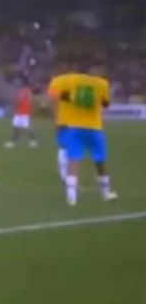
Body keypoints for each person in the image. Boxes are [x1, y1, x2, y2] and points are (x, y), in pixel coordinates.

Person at [48, 66, 119, 205]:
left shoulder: (67, 80)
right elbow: (105, 103)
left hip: (73, 126)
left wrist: (58, 114)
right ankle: (105, 193)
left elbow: (53, 93)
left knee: (74, 159)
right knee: (100, 161)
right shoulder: (102, 84)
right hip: (93, 127)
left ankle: (72, 197)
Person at [5, 83, 37, 148]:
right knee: (18, 127)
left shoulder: (23, 91)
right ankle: (14, 141)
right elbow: (28, 101)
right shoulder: (28, 91)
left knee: (22, 127)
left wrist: (14, 107)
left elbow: (19, 101)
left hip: (22, 112)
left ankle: (32, 141)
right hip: (22, 113)